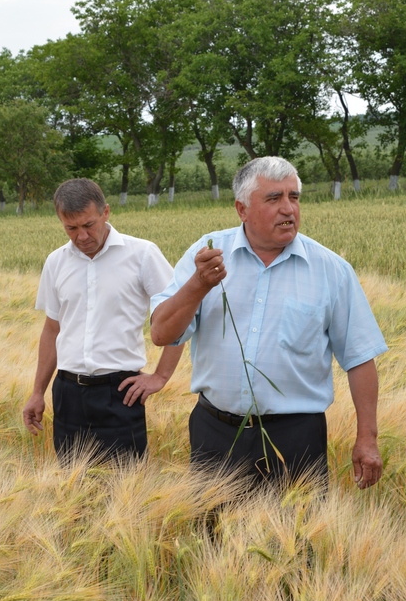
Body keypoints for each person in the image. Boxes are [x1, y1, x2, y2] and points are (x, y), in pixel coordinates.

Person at [150, 157, 388, 487]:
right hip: (215, 434)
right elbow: (161, 333)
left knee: (296, 522)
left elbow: (359, 358)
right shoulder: (206, 255)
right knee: (212, 522)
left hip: (296, 438)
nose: (288, 209)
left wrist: (367, 438)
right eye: (274, 198)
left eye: (294, 197)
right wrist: (198, 285)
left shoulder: (331, 270)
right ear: (242, 209)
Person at [23, 178, 183, 461]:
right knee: (71, 483)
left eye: (89, 225)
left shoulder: (142, 254)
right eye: (71, 228)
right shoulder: (56, 262)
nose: (82, 236)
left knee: (126, 482)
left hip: (121, 393)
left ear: (106, 212)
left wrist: (161, 376)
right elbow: (52, 330)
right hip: (67, 394)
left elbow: (180, 316)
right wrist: (38, 392)